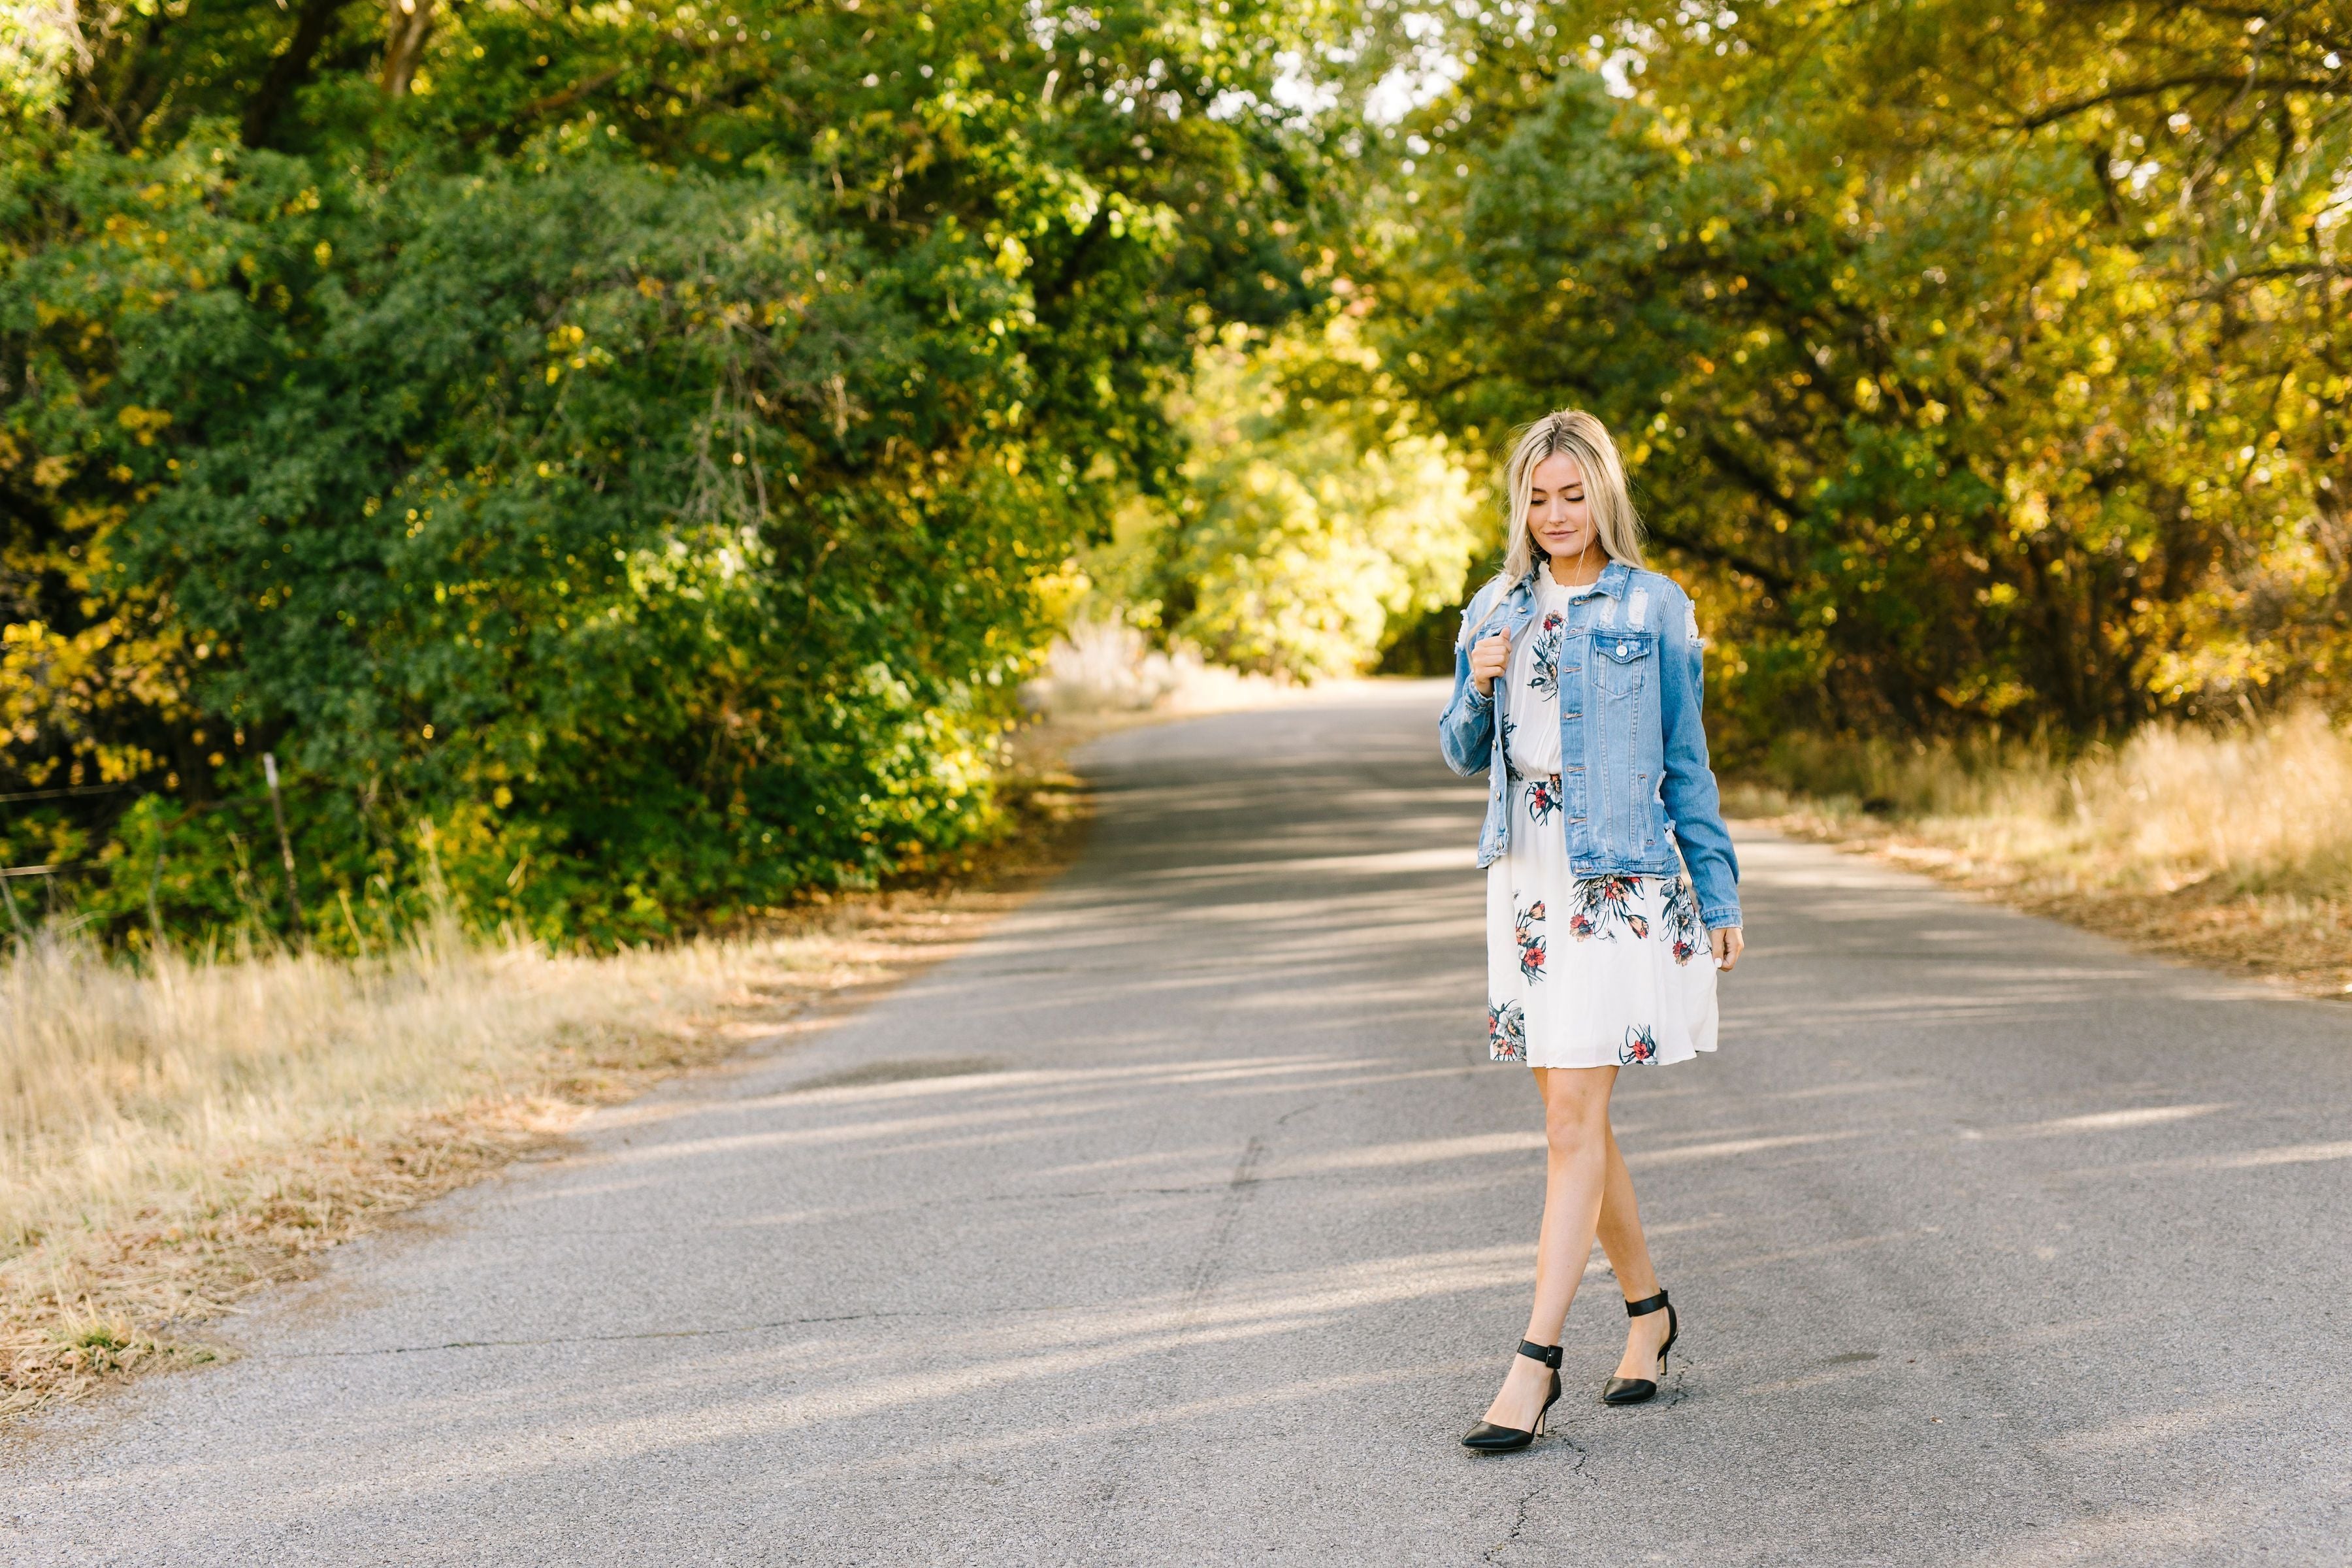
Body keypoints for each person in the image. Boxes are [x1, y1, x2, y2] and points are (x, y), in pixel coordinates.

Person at [1437, 409, 1745, 1454]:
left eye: (1574, 495)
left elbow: (1687, 761)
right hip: (1526, 881)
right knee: (1578, 1120)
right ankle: (1650, 1314)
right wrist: (1478, 681)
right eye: (1539, 496)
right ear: (1519, 502)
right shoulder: (1496, 604)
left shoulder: (1655, 606)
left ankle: (1534, 1362)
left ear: (1602, 496)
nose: (1556, 515)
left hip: (1616, 881)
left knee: (1571, 1117)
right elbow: (1455, 747)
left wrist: (1721, 891)